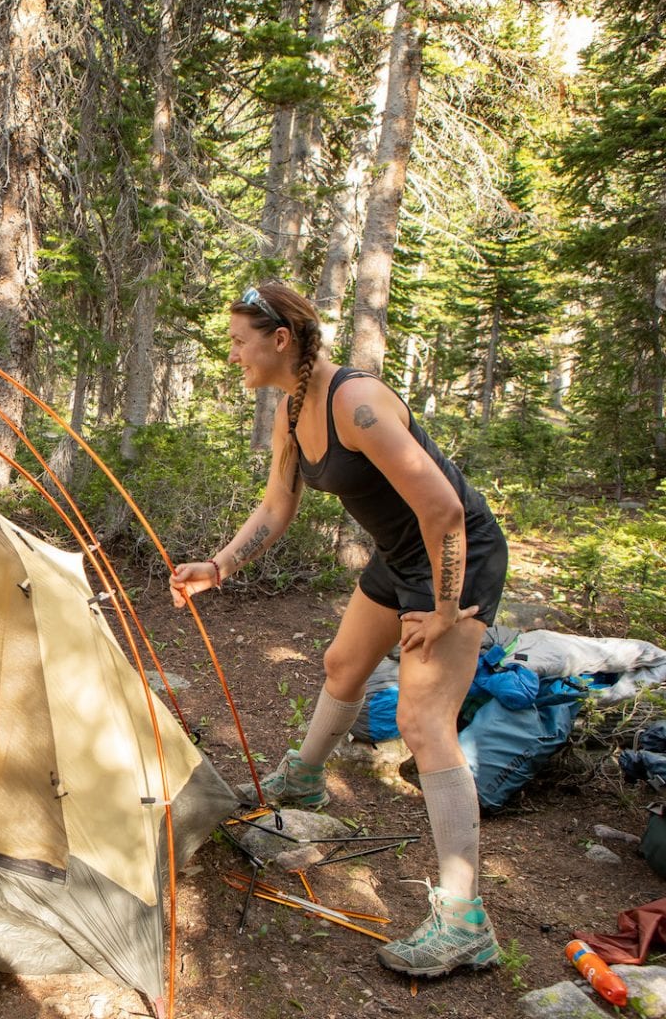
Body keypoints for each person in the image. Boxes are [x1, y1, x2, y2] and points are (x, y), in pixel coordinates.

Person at [169, 281, 508, 978]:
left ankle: (466, 921)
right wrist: (219, 567)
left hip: (454, 557)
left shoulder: (357, 402)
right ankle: (304, 783)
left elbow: (444, 508)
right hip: (401, 555)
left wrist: (444, 608)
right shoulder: (293, 412)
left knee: (424, 722)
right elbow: (276, 505)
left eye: (239, 342)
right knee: (342, 665)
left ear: (280, 339)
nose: (233, 356)